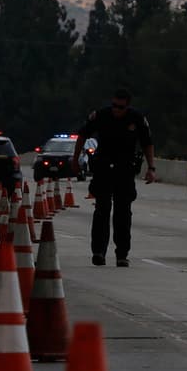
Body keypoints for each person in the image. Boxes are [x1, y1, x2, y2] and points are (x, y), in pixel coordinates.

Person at [73, 87, 156, 267]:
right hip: (103, 168)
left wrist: (151, 167)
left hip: (125, 170)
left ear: (127, 106)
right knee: (102, 210)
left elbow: (147, 143)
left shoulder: (137, 118)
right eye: (114, 106)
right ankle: (98, 252)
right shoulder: (101, 116)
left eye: (120, 107)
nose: (116, 110)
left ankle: (122, 254)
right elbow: (82, 135)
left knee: (123, 213)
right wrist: (75, 160)